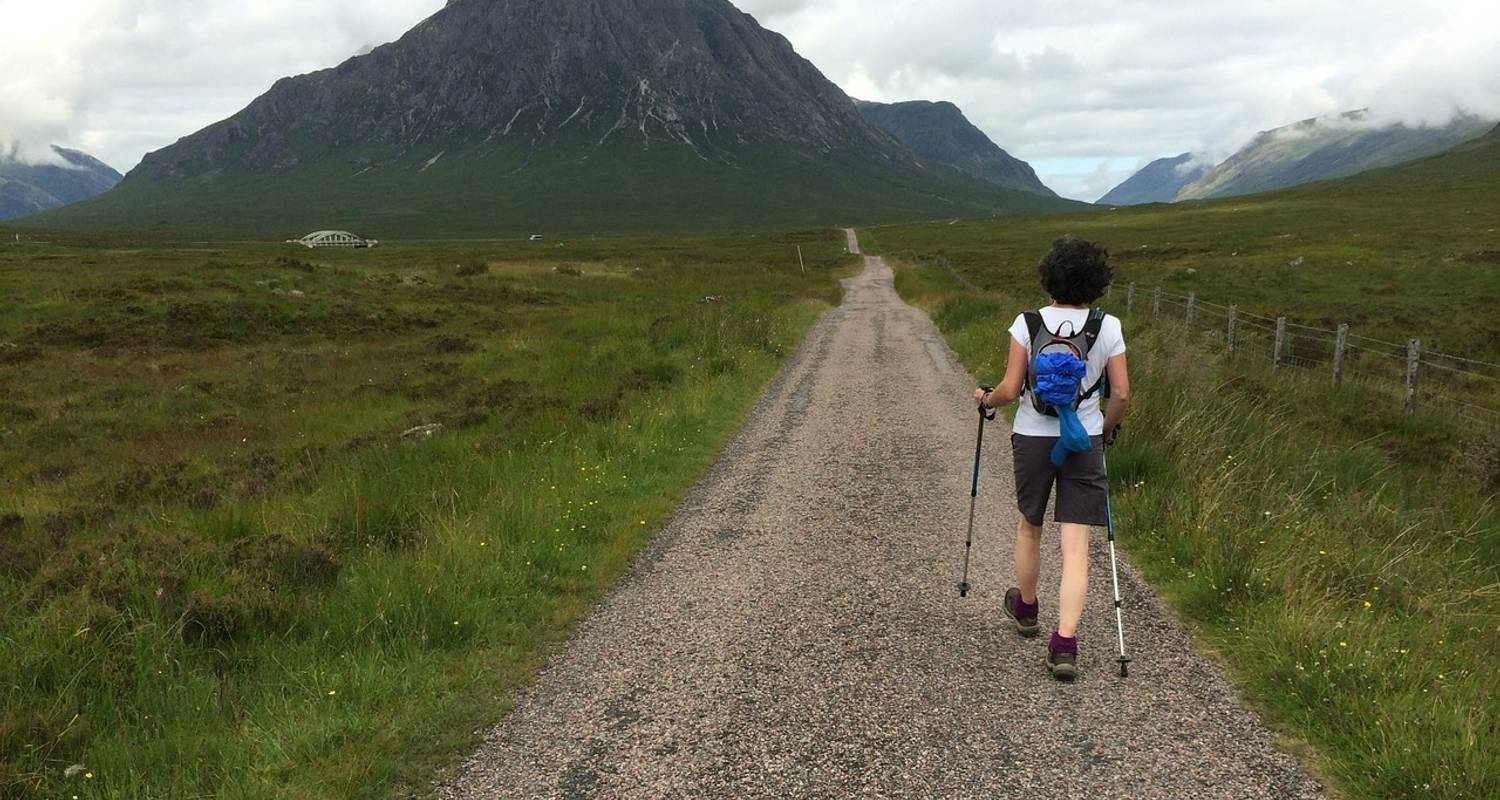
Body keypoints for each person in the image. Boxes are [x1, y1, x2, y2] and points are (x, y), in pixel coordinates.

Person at [972, 236, 1131, 681]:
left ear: (1049, 275)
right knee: (1076, 544)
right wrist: (1107, 426)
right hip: (1084, 441)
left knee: (1030, 525)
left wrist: (985, 397)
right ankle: (1064, 645)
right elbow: (1120, 393)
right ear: (1097, 282)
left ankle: (1026, 608)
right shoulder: (1110, 327)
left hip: (1033, 436)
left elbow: (1008, 389)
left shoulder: (1027, 323)